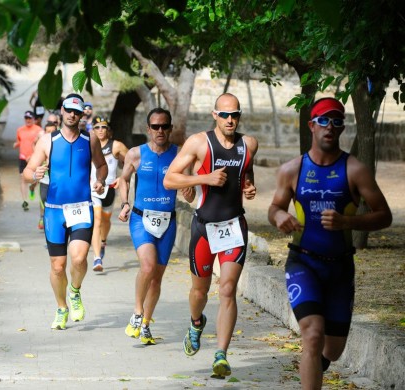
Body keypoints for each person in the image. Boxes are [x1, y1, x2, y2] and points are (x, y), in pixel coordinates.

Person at [267, 97, 392, 389]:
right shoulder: (292, 170)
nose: (330, 127)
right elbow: (274, 208)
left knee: (332, 350)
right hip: (303, 261)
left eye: (337, 121)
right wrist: (280, 216)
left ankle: (317, 365)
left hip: (340, 268)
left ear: (342, 128)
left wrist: (348, 222)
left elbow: (384, 215)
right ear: (311, 125)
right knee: (312, 334)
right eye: (323, 120)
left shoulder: (355, 170)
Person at [163, 93, 258, 377]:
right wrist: (203, 178)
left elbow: (246, 174)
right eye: (225, 114)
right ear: (214, 115)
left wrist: (249, 188)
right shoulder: (198, 142)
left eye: (235, 114)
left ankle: (221, 354)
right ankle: (195, 322)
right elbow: (170, 178)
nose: (231, 120)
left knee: (227, 289)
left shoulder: (249, 144)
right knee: (199, 292)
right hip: (204, 227)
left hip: (233, 227)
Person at [23, 93, 108, 330]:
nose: (72, 114)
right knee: (57, 266)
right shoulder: (47, 141)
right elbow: (27, 172)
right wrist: (35, 175)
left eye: (77, 111)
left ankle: (75, 290)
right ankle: (61, 308)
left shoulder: (90, 139)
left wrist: (100, 180)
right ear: (62, 111)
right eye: (69, 110)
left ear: (82, 114)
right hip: (54, 211)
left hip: (81, 208)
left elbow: (101, 165)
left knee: (79, 258)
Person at [118, 108, 195, 345]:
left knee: (157, 278)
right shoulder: (135, 154)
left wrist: (189, 190)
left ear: (170, 128)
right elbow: (124, 179)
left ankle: (146, 324)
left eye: (164, 126)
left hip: (167, 221)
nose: (160, 131)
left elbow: (189, 192)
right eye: (155, 127)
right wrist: (124, 203)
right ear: (148, 129)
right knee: (148, 266)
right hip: (141, 218)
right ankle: (137, 312)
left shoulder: (180, 155)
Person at [90, 115, 129, 271]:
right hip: (93, 189)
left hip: (110, 188)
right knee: (97, 220)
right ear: (92, 130)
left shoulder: (116, 146)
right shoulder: (89, 145)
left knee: (105, 220)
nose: (100, 130)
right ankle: (97, 258)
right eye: (97, 127)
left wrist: (122, 177)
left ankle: (103, 241)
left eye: (103, 127)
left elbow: (131, 162)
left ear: (108, 130)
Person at [13, 110, 42, 211]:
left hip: (34, 157)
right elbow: (19, 141)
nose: (28, 120)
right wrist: (16, 145)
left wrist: (33, 155)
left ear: (34, 119)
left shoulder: (39, 130)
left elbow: (40, 144)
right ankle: (24, 201)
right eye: (26, 118)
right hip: (22, 157)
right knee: (23, 178)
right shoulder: (20, 130)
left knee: (37, 179)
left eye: (30, 118)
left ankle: (32, 187)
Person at [35, 120, 59, 230]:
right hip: (44, 179)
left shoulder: (61, 144)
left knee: (54, 204)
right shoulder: (41, 144)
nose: (50, 134)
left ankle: (52, 225)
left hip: (57, 181)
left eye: (52, 131)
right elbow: (35, 165)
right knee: (43, 199)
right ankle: (42, 216)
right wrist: (35, 178)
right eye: (48, 131)